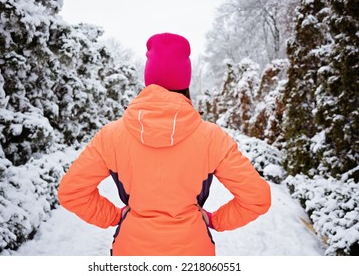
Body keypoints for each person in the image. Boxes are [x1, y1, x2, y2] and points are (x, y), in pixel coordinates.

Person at [57, 32, 271, 256]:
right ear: (185, 81)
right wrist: (213, 220)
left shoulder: (111, 136)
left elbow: (72, 192)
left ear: (148, 79)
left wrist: (114, 216)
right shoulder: (212, 137)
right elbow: (257, 198)